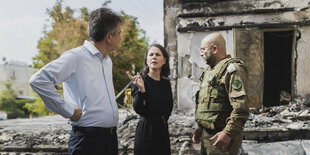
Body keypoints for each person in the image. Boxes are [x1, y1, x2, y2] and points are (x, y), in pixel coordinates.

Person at [29, 7, 122, 155]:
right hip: (87, 142)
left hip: (110, 139)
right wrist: (67, 110)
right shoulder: (75, 57)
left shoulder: (107, 61)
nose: (120, 38)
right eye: (119, 33)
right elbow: (38, 80)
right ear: (109, 37)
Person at [192, 32, 249, 155]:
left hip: (222, 138)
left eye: (203, 50)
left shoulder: (232, 70)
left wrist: (228, 133)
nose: (201, 53)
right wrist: (201, 126)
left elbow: (241, 108)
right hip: (207, 135)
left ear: (214, 49)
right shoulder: (209, 70)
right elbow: (208, 102)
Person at [126, 44, 173, 155]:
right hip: (146, 132)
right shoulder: (140, 80)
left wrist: (152, 109)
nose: (154, 57)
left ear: (164, 60)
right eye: (151, 54)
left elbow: (168, 110)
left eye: (158, 55)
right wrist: (142, 90)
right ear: (147, 60)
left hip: (162, 132)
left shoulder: (166, 83)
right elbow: (138, 108)